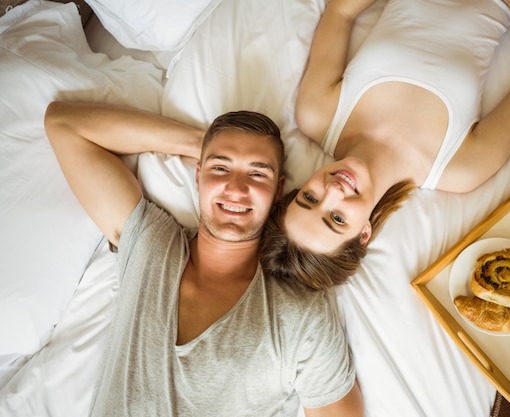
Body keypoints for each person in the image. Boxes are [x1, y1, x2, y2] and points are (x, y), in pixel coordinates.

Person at [44, 101, 363, 416]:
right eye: (220, 169)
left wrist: (214, 153)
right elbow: (64, 123)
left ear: (278, 190)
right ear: (197, 176)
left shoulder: (300, 316)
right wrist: (199, 142)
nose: (237, 188)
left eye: (257, 174)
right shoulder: (152, 244)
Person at [260, 0, 510, 291]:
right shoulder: (460, 169)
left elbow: (341, 12)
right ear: (364, 233)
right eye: (337, 219)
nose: (333, 191)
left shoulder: (317, 114)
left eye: (310, 197)